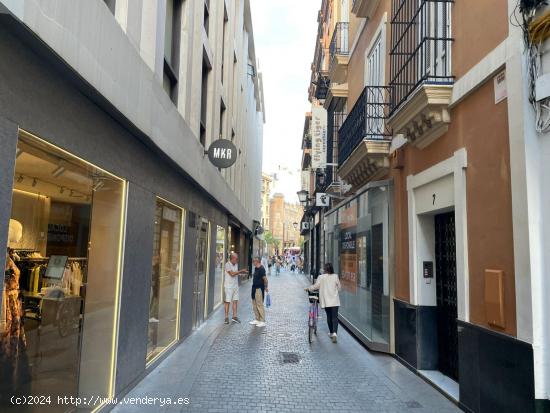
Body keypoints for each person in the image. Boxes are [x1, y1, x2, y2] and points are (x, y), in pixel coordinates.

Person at [305, 263, 341, 343]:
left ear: (325, 269)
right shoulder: (335, 276)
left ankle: (331, 333)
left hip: (326, 301)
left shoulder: (321, 277)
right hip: (335, 300)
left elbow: (315, 286)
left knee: (329, 316)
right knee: (335, 317)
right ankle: (335, 333)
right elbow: (339, 288)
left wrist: (308, 288)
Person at [224, 253, 248, 324]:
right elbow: (232, 274)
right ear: (232, 258)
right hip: (228, 286)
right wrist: (241, 271)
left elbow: (235, 274)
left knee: (235, 301)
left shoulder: (236, 264)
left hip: (235, 286)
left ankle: (234, 317)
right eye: (236, 259)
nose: (237, 260)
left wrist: (241, 274)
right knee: (227, 302)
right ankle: (226, 317)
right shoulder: (227, 265)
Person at [249, 257, 268, 327]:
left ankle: (262, 321)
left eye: (254, 261)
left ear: (257, 261)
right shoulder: (256, 268)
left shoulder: (261, 269)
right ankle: (257, 319)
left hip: (259, 289)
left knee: (259, 304)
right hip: (254, 288)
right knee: (254, 304)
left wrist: (266, 287)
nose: (253, 262)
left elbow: (265, 279)